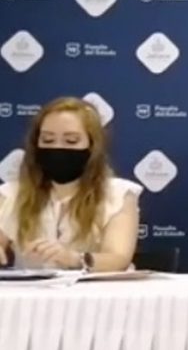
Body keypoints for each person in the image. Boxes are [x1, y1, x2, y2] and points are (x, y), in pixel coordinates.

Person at [0, 97, 142, 271]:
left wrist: (74, 258)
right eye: (48, 140)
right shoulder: (10, 195)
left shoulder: (118, 195)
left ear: (92, 146)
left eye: (71, 141)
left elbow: (118, 259)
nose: (57, 148)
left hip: (96, 288)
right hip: (33, 289)